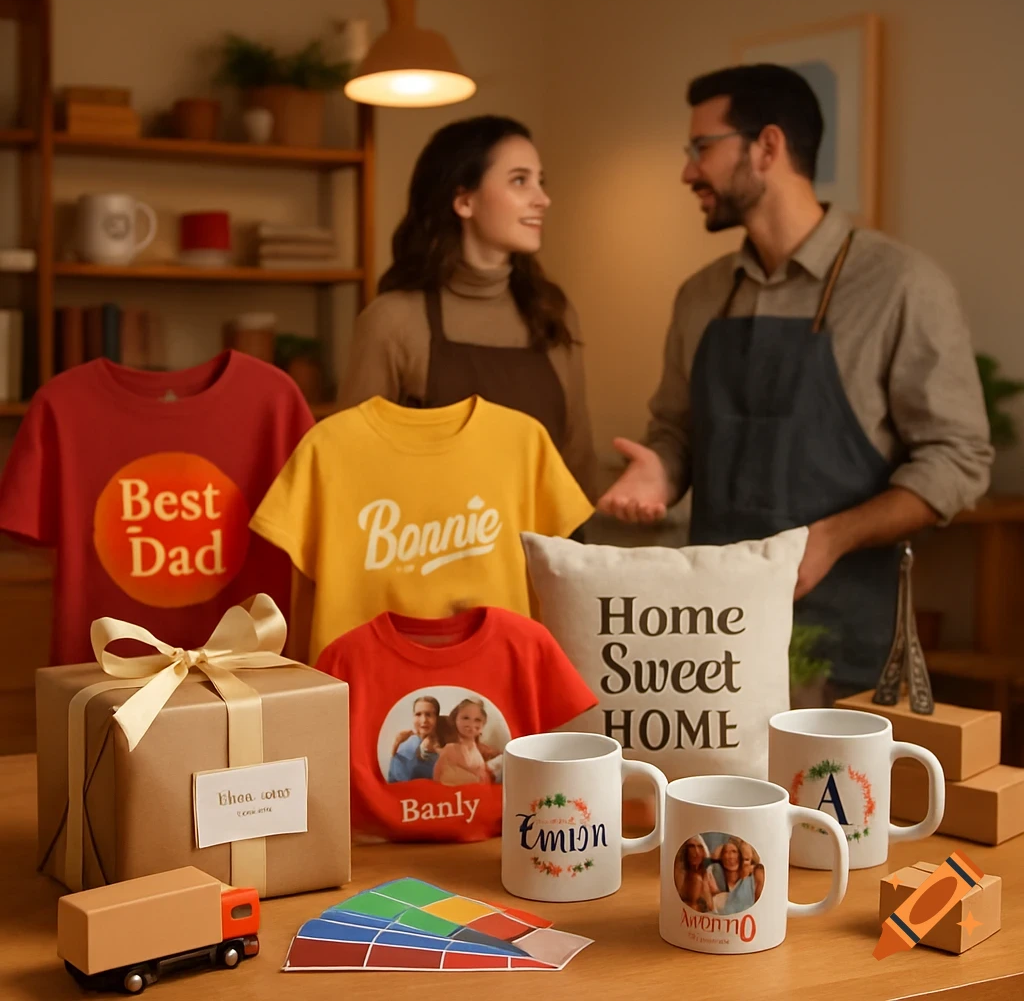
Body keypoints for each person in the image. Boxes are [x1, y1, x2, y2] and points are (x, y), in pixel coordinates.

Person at [598, 64, 993, 698]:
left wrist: (831, 538)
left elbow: (960, 458)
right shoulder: (700, 296)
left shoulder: (900, 285)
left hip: (847, 646)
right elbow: (675, 433)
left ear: (768, 146)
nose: (687, 171)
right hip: (711, 645)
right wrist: (660, 474)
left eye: (702, 148)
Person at [338, 114, 599, 502]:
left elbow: (577, 457)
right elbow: (352, 471)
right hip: (429, 556)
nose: (542, 199)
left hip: (545, 555)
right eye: (519, 180)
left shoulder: (551, 310)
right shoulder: (392, 321)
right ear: (464, 200)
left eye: (540, 181)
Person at [433, 698, 500, 787]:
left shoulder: (478, 748)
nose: (471, 724)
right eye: (465, 718)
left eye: (477, 720)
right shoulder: (450, 749)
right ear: (455, 720)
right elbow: (437, 777)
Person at [387, 695, 448, 783]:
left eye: (429, 715)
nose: (424, 720)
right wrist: (395, 746)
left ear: (437, 718)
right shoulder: (404, 745)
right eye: (418, 714)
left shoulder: (447, 742)